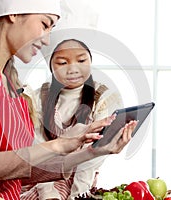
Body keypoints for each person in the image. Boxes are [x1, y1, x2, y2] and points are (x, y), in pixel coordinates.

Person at [0, 0, 138, 199]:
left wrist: (90, 152)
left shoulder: (9, 78)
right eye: (45, 24)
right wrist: (57, 145)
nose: (47, 40)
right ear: (13, 12)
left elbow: (18, 172)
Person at [20, 39, 125, 200]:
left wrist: (78, 195)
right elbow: (38, 151)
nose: (73, 69)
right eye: (62, 63)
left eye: (81, 60)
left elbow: (92, 157)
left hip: (82, 181)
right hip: (42, 180)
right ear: (52, 68)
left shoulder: (103, 97)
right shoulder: (38, 97)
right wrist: (48, 194)